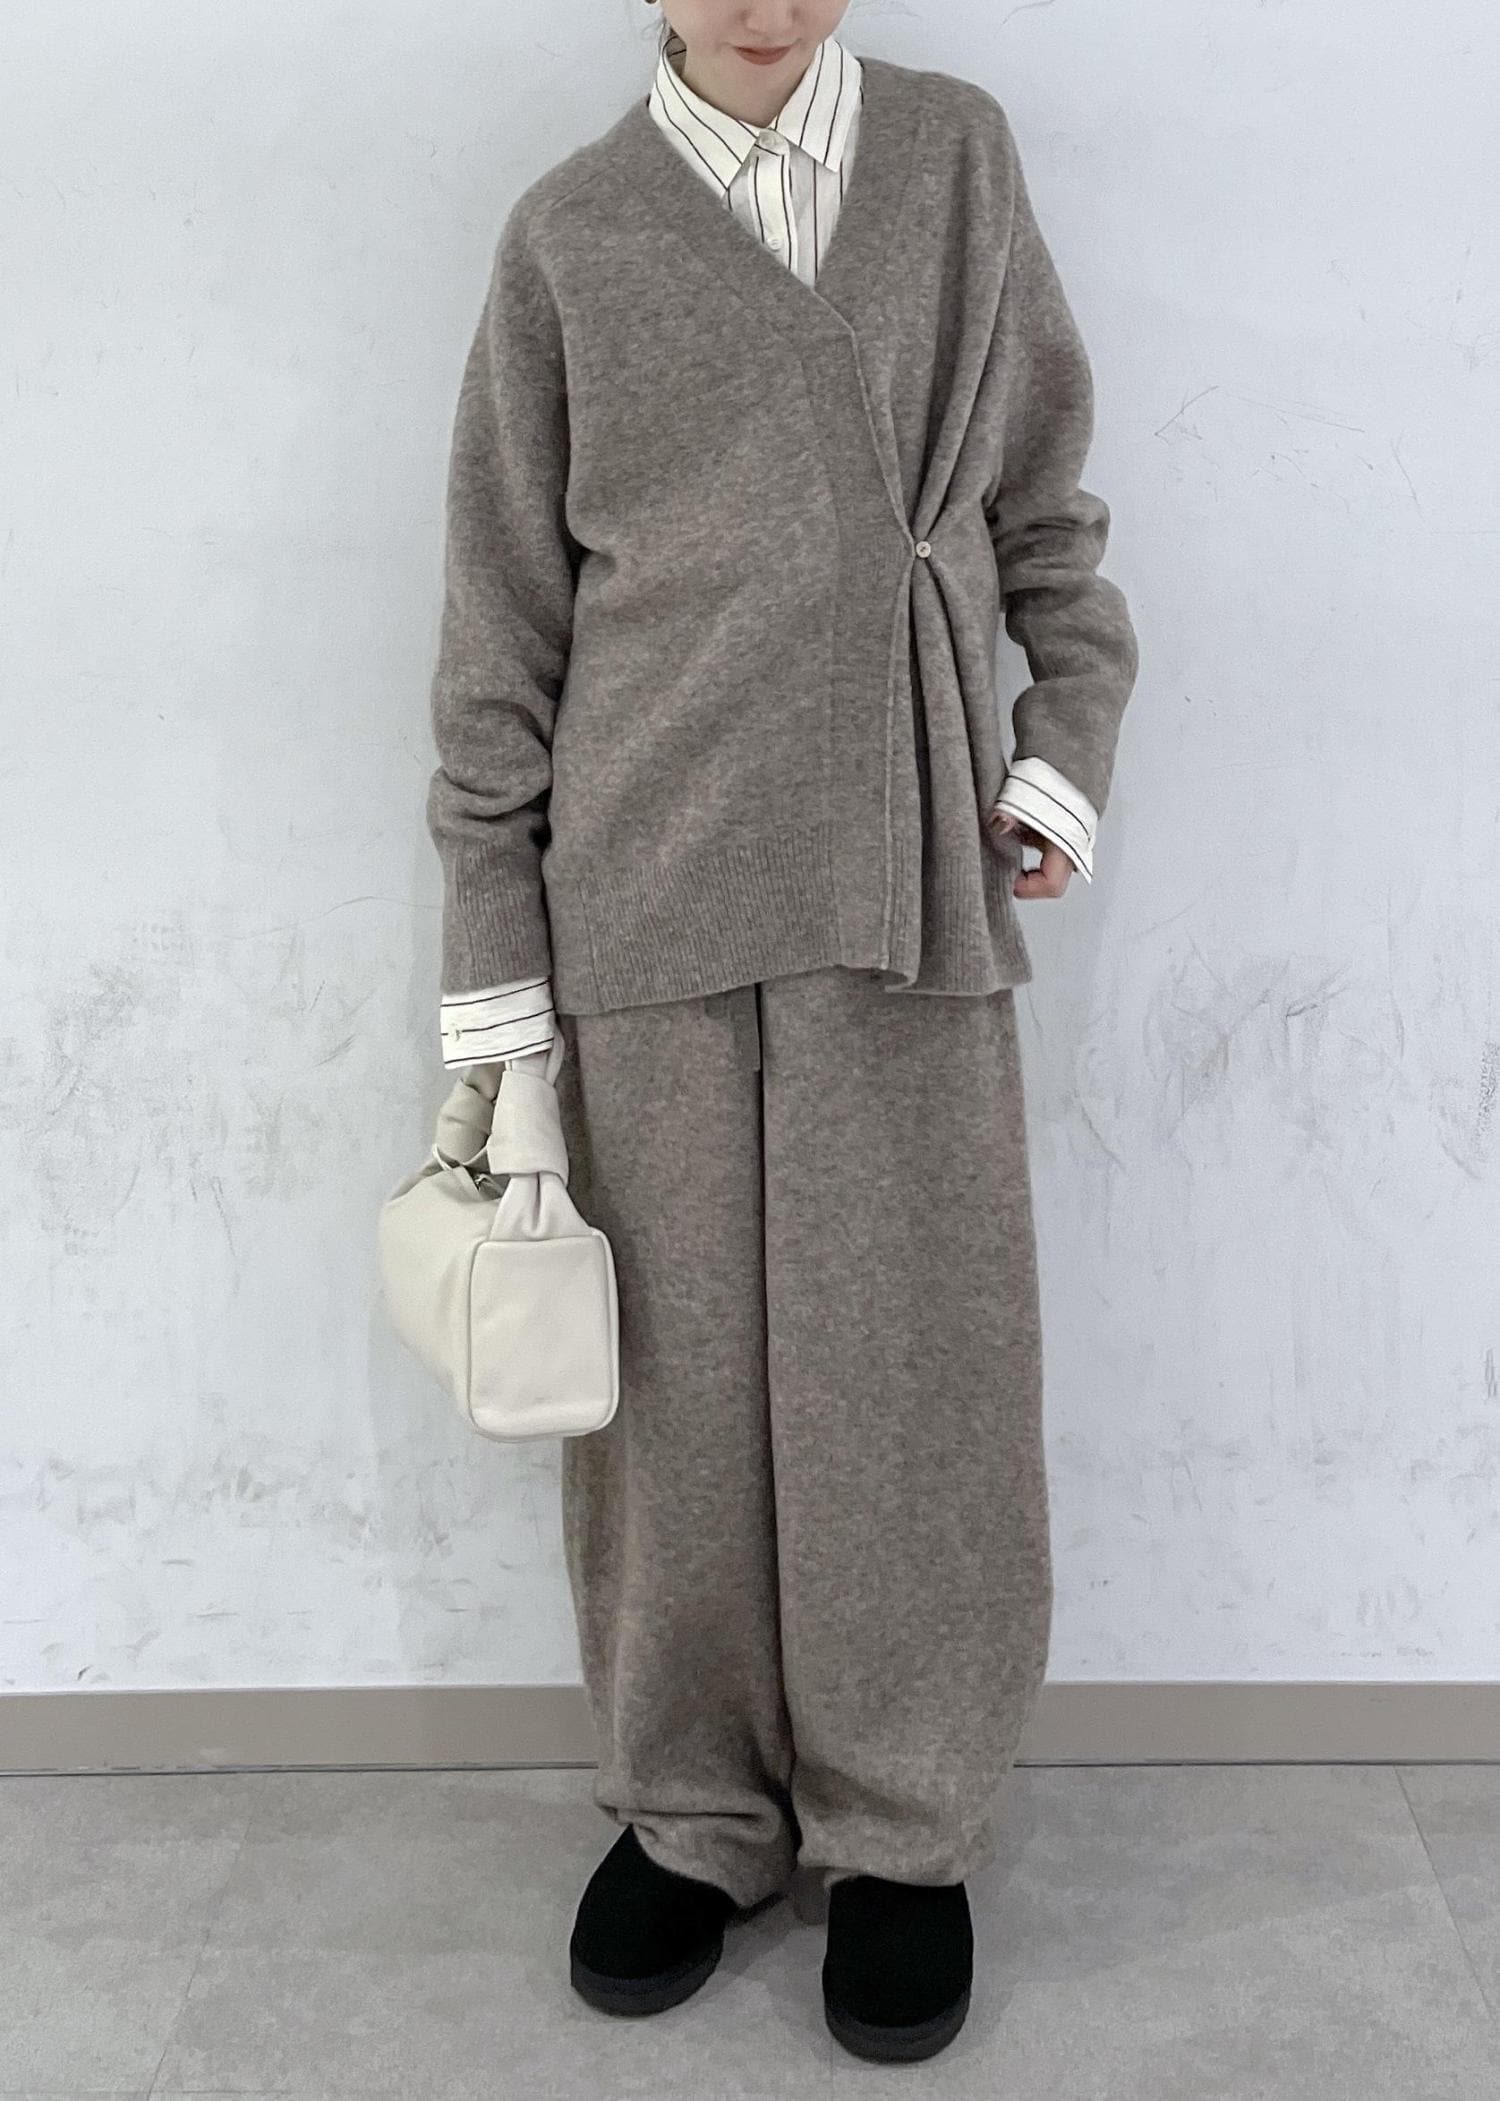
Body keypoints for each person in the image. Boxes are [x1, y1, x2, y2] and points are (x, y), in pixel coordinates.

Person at [424, 0, 1138, 2066]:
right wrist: (496, 965)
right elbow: (500, 632)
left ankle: (901, 1822)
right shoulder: (570, 236)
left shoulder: (952, 160)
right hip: (641, 890)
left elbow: (1048, 516)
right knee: (673, 1390)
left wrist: (1056, 749)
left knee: (912, 1369)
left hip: (908, 868)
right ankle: (694, 1805)